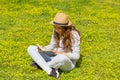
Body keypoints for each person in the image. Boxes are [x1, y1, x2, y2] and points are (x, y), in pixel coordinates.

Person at [27, 13, 80, 78]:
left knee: (61, 57)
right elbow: (52, 45)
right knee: (31, 48)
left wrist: (63, 54)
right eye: (55, 27)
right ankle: (50, 71)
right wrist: (44, 49)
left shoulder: (74, 35)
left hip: (67, 62)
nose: (56, 30)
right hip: (54, 57)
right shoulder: (55, 31)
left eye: (58, 28)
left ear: (65, 28)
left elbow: (76, 56)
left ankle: (40, 64)